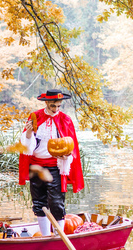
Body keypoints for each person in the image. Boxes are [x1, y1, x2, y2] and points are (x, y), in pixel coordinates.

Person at [18, 89, 84, 236]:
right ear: (46, 103)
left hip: (55, 166)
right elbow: (27, 145)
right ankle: (46, 236)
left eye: (59, 106)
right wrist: (28, 132)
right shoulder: (35, 117)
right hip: (36, 165)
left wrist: (67, 156)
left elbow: (71, 145)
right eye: (53, 106)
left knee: (56, 203)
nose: (56, 109)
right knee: (39, 202)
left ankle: (59, 236)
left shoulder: (65, 119)